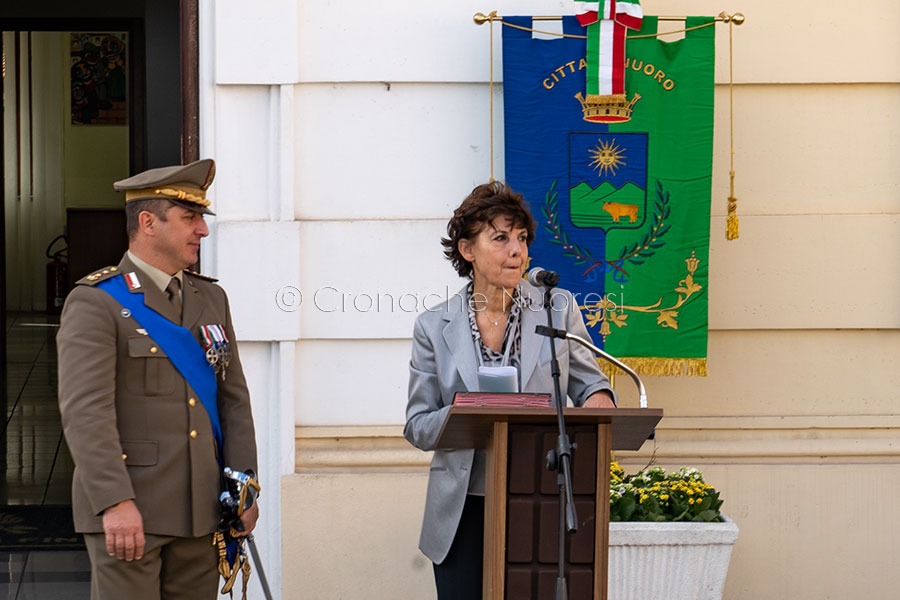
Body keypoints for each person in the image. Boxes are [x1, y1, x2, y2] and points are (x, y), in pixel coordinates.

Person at [57, 158, 259, 600]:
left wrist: (243, 488)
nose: (202, 231)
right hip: (132, 508)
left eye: (201, 219)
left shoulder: (211, 297)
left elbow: (234, 399)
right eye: (190, 218)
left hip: (201, 508)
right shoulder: (96, 302)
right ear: (148, 222)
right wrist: (114, 501)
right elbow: (86, 413)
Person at [404, 181, 616, 599]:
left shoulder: (559, 307)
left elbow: (591, 384)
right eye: (500, 238)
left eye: (521, 238)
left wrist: (599, 402)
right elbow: (417, 425)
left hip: (540, 497)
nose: (516, 250)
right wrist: (468, 412)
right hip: (463, 510)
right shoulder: (433, 326)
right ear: (468, 250)